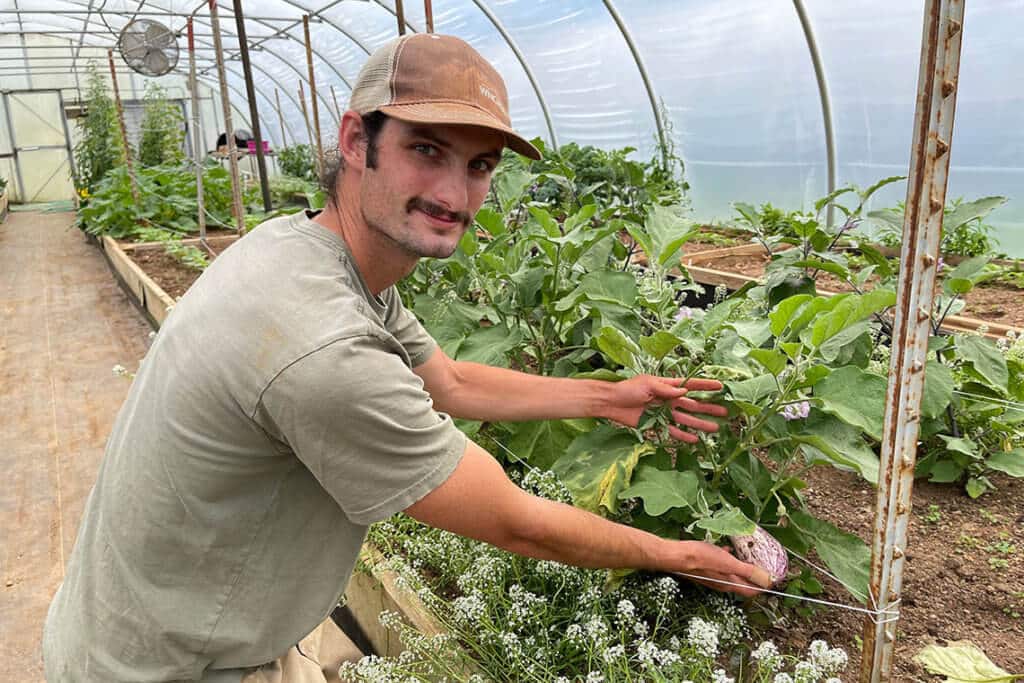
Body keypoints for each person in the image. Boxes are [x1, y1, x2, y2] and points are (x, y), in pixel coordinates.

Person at [43, 34, 767, 683]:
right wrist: (681, 556)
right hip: (166, 666)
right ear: (357, 140)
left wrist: (610, 396)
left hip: (169, 621)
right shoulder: (323, 348)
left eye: (478, 165)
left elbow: (448, 380)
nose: (455, 194)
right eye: (427, 150)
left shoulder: (313, 250)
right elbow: (517, 521)